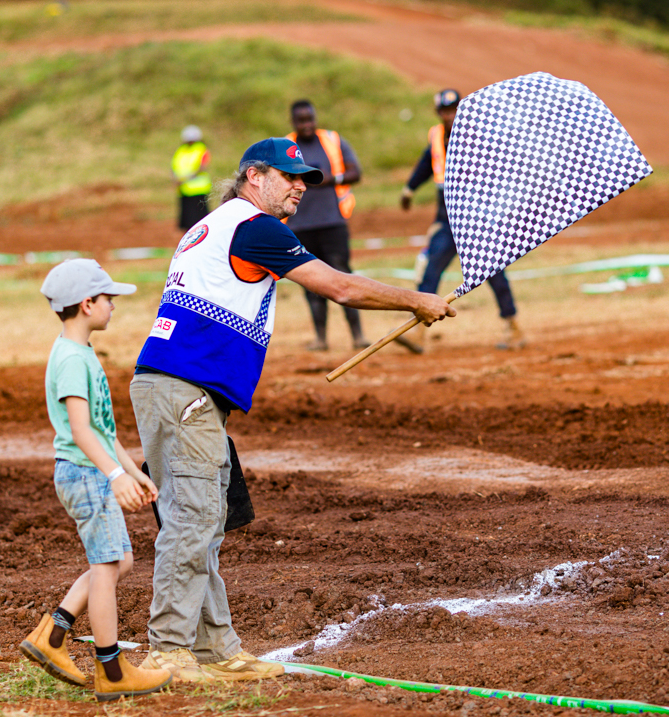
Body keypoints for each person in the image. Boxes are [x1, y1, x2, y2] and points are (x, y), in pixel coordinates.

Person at [131, 138, 455, 683]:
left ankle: (215, 649)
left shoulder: (220, 223)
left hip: (185, 391)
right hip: (183, 390)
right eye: (290, 176)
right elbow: (341, 288)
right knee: (193, 521)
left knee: (205, 522)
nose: (301, 186)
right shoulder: (255, 227)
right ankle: (167, 653)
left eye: (305, 178)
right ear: (254, 176)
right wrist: (416, 299)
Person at [20, 259, 172, 703]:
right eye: (108, 299)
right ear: (87, 304)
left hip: (93, 471)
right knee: (106, 567)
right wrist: (112, 475)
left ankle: (52, 636)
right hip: (85, 474)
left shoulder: (80, 353)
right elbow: (82, 431)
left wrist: (130, 471)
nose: (113, 306)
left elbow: (104, 431)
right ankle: (111, 670)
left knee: (118, 562)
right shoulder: (71, 359)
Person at [399, 88, 526, 353]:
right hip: (446, 220)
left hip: (477, 220)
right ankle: (418, 334)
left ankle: (513, 326)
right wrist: (410, 188)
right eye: (445, 111)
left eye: (453, 109)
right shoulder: (436, 135)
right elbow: (427, 162)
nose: (449, 115)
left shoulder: (480, 134)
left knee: (493, 272)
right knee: (431, 271)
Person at [283, 100, 368, 351]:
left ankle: (358, 336)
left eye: (310, 118)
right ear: (293, 122)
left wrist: (333, 179)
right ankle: (321, 339)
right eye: (301, 120)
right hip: (299, 225)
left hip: (333, 222)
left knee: (343, 275)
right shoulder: (286, 147)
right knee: (311, 283)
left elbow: (356, 171)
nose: (307, 124)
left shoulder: (332, 140)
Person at [172, 125, 212, 230]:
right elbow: (175, 166)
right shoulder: (181, 150)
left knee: (199, 220)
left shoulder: (201, 149)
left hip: (198, 189)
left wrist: (186, 178)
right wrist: (175, 179)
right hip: (184, 189)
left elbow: (202, 167)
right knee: (187, 221)